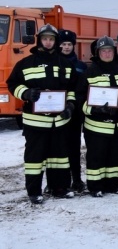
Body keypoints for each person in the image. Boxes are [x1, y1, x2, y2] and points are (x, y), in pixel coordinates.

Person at [7, 24, 78, 203]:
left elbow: (72, 88)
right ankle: (34, 191)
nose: (48, 42)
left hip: (59, 122)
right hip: (35, 122)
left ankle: (59, 188)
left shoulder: (66, 64)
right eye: (45, 38)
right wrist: (26, 93)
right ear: (40, 40)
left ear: (56, 41)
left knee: (60, 158)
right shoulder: (25, 63)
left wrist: (70, 105)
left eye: (51, 39)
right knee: (34, 159)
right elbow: (13, 84)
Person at [82, 36, 118, 197]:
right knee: (96, 156)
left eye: (109, 50)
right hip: (95, 126)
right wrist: (94, 110)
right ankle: (95, 186)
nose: (107, 53)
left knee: (116, 156)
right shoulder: (89, 72)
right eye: (103, 51)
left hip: (116, 125)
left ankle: (115, 184)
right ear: (98, 52)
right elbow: (79, 98)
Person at [57, 29, 87, 193]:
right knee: (56, 149)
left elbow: (82, 89)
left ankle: (76, 179)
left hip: (74, 114)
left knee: (74, 148)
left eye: (69, 44)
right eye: (63, 44)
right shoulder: (54, 63)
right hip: (55, 113)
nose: (66, 47)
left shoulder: (80, 66)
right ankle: (58, 181)